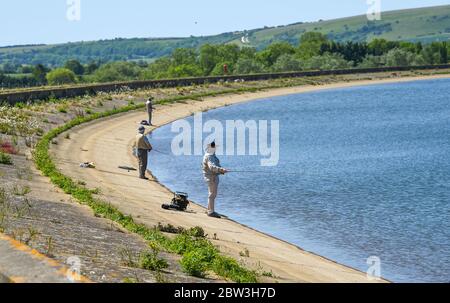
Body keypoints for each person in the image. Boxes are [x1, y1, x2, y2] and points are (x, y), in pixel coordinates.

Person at [202, 141, 228, 218]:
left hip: (211, 176)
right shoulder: (210, 156)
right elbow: (212, 167)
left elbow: (216, 165)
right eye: (214, 147)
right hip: (211, 177)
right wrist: (221, 170)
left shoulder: (211, 155)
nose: (215, 149)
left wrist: (222, 170)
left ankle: (209, 209)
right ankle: (211, 212)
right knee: (212, 194)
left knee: (212, 193)